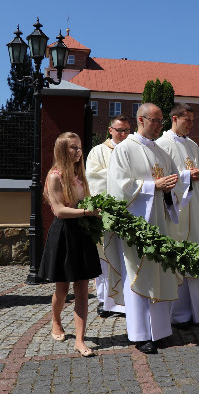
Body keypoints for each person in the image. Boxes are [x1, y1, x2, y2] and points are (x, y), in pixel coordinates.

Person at [106, 103, 184, 354]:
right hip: (137, 226)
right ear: (141, 119)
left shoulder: (161, 152)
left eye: (161, 121)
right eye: (156, 121)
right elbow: (119, 188)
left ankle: (160, 331)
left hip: (161, 224)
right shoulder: (125, 149)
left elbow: (171, 181)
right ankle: (140, 334)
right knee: (137, 274)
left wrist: (170, 186)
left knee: (160, 273)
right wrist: (154, 186)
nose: (160, 126)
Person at [37, 132, 101, 357]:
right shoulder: (55, 177)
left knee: (82, 287)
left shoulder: (80, 175)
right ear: (63, 150)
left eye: (80, 147)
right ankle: (55, 320)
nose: (78, 151)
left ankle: (80, 340)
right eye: (73, 148)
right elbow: (60, 211)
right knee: (62, 288)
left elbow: (86, 202)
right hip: (63, 233)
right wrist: (87, 212)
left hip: (82, 233)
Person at [157, 103, 199, 328]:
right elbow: (161, 176)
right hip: (178, 210)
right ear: (174, 118)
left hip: (196, 210)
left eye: (192, 121)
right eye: (187, 120)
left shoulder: (193, 144)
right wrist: (185, 176)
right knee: (180, 259)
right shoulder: (163, 144)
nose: (191, 124)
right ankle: (179, 314)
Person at [85, 115, 130, 318]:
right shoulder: (98, 151)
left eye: (127, 130)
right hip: (107, 213)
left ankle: (126, 300)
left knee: (126, 257)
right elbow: (93, 178)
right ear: (110, 130)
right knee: (106, 257)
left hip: (129, 212)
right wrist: (119, 177)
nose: (123, 134)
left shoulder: (132, 150)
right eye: (119, 130)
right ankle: (105, 300)